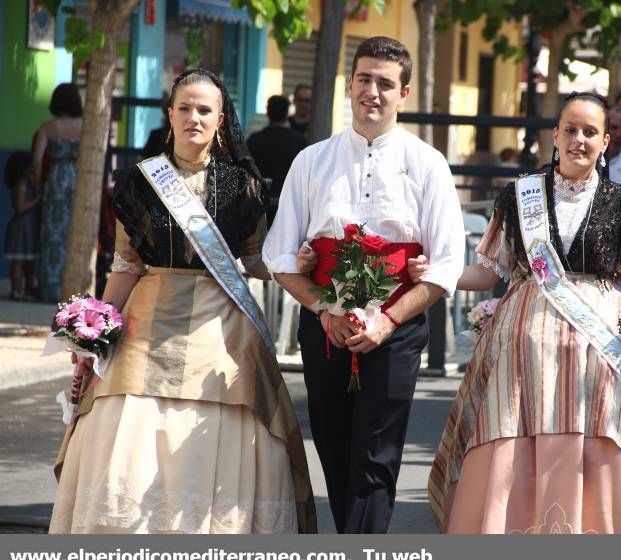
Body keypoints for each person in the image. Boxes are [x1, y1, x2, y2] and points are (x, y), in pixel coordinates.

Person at [49, 69, 316, 534]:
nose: (194, 117)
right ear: (170, 115)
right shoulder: (140, 181)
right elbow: (126, 264)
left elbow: (254, 260)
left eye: (205, 110)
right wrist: (95, 335)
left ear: (220, 120)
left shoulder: (242, 183)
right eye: (185, 108)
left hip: (221, 323)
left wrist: (301, 265)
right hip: (148, 315)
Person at [424, 92, 621, 534]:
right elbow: (489, 275)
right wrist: (430, 272)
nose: (578, 140)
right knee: (510, 432)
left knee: (607, 433)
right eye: (570, 129)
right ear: (554, 135)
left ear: (606, 141)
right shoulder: (520, 196)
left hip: (599, 353)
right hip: (521, 352)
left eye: (590, 132)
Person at [264, 36, 465, 534]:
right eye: (363, 79)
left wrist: (389, 319)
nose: (371, 92)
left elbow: (446, 265)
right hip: (325, 326)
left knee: (376, 455)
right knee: (332, 449)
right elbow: (280, 255)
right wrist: (323, 310)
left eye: (384, 83)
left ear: (405, 93)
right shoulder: (311, 161)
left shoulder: (428, 164)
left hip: (396, 328)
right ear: (348, 84)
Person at [32, 83, 82, 302]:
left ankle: (50, 289)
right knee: (75, 234)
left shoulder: (47, 128)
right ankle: (73, 290)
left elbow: (36, 163)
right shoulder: (86, 126)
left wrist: (38, 185)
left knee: (52, 235)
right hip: (79, 181)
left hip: (55, 182)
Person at [246, 95, 308, 227]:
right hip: (290, 207)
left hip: (260, 206)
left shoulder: (254, 140)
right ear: (287, 113)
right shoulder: (300, 141)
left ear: (268, 113)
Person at [3, 151, 40, 300]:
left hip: (28, 225)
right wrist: (37, 200)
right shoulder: (21, 184)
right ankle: (16, 290)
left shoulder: (27, 181)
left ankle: (26, 289)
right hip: (21, 226)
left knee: (28, 259)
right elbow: (20, 207)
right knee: (18, 260)